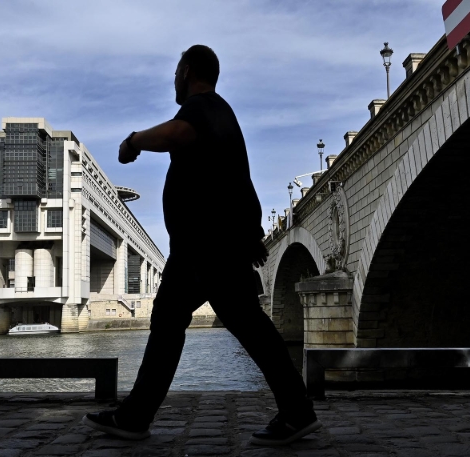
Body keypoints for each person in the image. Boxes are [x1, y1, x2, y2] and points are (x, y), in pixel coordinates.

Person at [82, 44, 321, 446]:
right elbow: (238, 182)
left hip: (207, 245)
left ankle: (297, 411)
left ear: (188, 70)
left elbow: (179, 134)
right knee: (177, 322)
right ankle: (135, 416)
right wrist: (250, 235)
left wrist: (134, 140)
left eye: (177, 71)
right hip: (201, 246)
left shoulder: (202, 108)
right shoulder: (222, 114)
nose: (173, 78)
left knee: (241, 324)